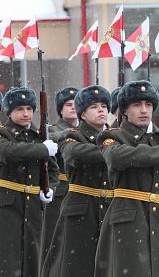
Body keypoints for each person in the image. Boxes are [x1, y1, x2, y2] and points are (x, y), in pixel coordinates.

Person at [95, 80, 159, 277]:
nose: (144, 110)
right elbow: (117, 157)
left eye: (148, 105)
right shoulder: (113, 135)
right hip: (129, 221)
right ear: (125, 110)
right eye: (137, 105)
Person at [41, 85, 113, 277]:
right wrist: (117, 153)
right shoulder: (71, 135)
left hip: (110, 208)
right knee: (76, 266)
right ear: (82, 114)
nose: (101, 110)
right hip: (81, 211)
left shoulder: (117, 136)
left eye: (104, 106)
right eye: (94, 107)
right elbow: (76, 154)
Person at [0, 87, 59, 277]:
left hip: (33, 207)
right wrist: (42, 149)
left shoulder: (39, 136)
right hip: (8, 206)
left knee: (33, 260)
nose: (26, 114)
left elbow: (53, 170)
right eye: (19, 109)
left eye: (29, 109)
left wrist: (49, 189)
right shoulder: (4, 134)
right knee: (8, 260)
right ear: (9, 112)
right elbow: (9, 152)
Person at [39, 86, 79, 268]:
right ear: (60, 110)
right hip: (61, 191)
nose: (73, 108)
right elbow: (56, 139)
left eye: (76, 104)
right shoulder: (52, 130)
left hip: (79, 190)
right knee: (55, 240)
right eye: (68, 105)